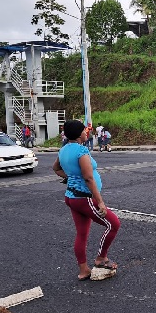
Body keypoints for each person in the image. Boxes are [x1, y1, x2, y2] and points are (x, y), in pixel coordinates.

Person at [52, 120, 121, 281]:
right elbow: (89, 178)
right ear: (78, 134)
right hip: (84, 197)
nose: (86, 133)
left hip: (72, 196)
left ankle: (84, 270)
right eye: (84, 130)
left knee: (82, 234)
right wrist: (100, 201)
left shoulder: (63, 150)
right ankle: (101, 258)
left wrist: (70, 177)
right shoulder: (81, 151)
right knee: (113, 224)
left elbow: (56, 168)